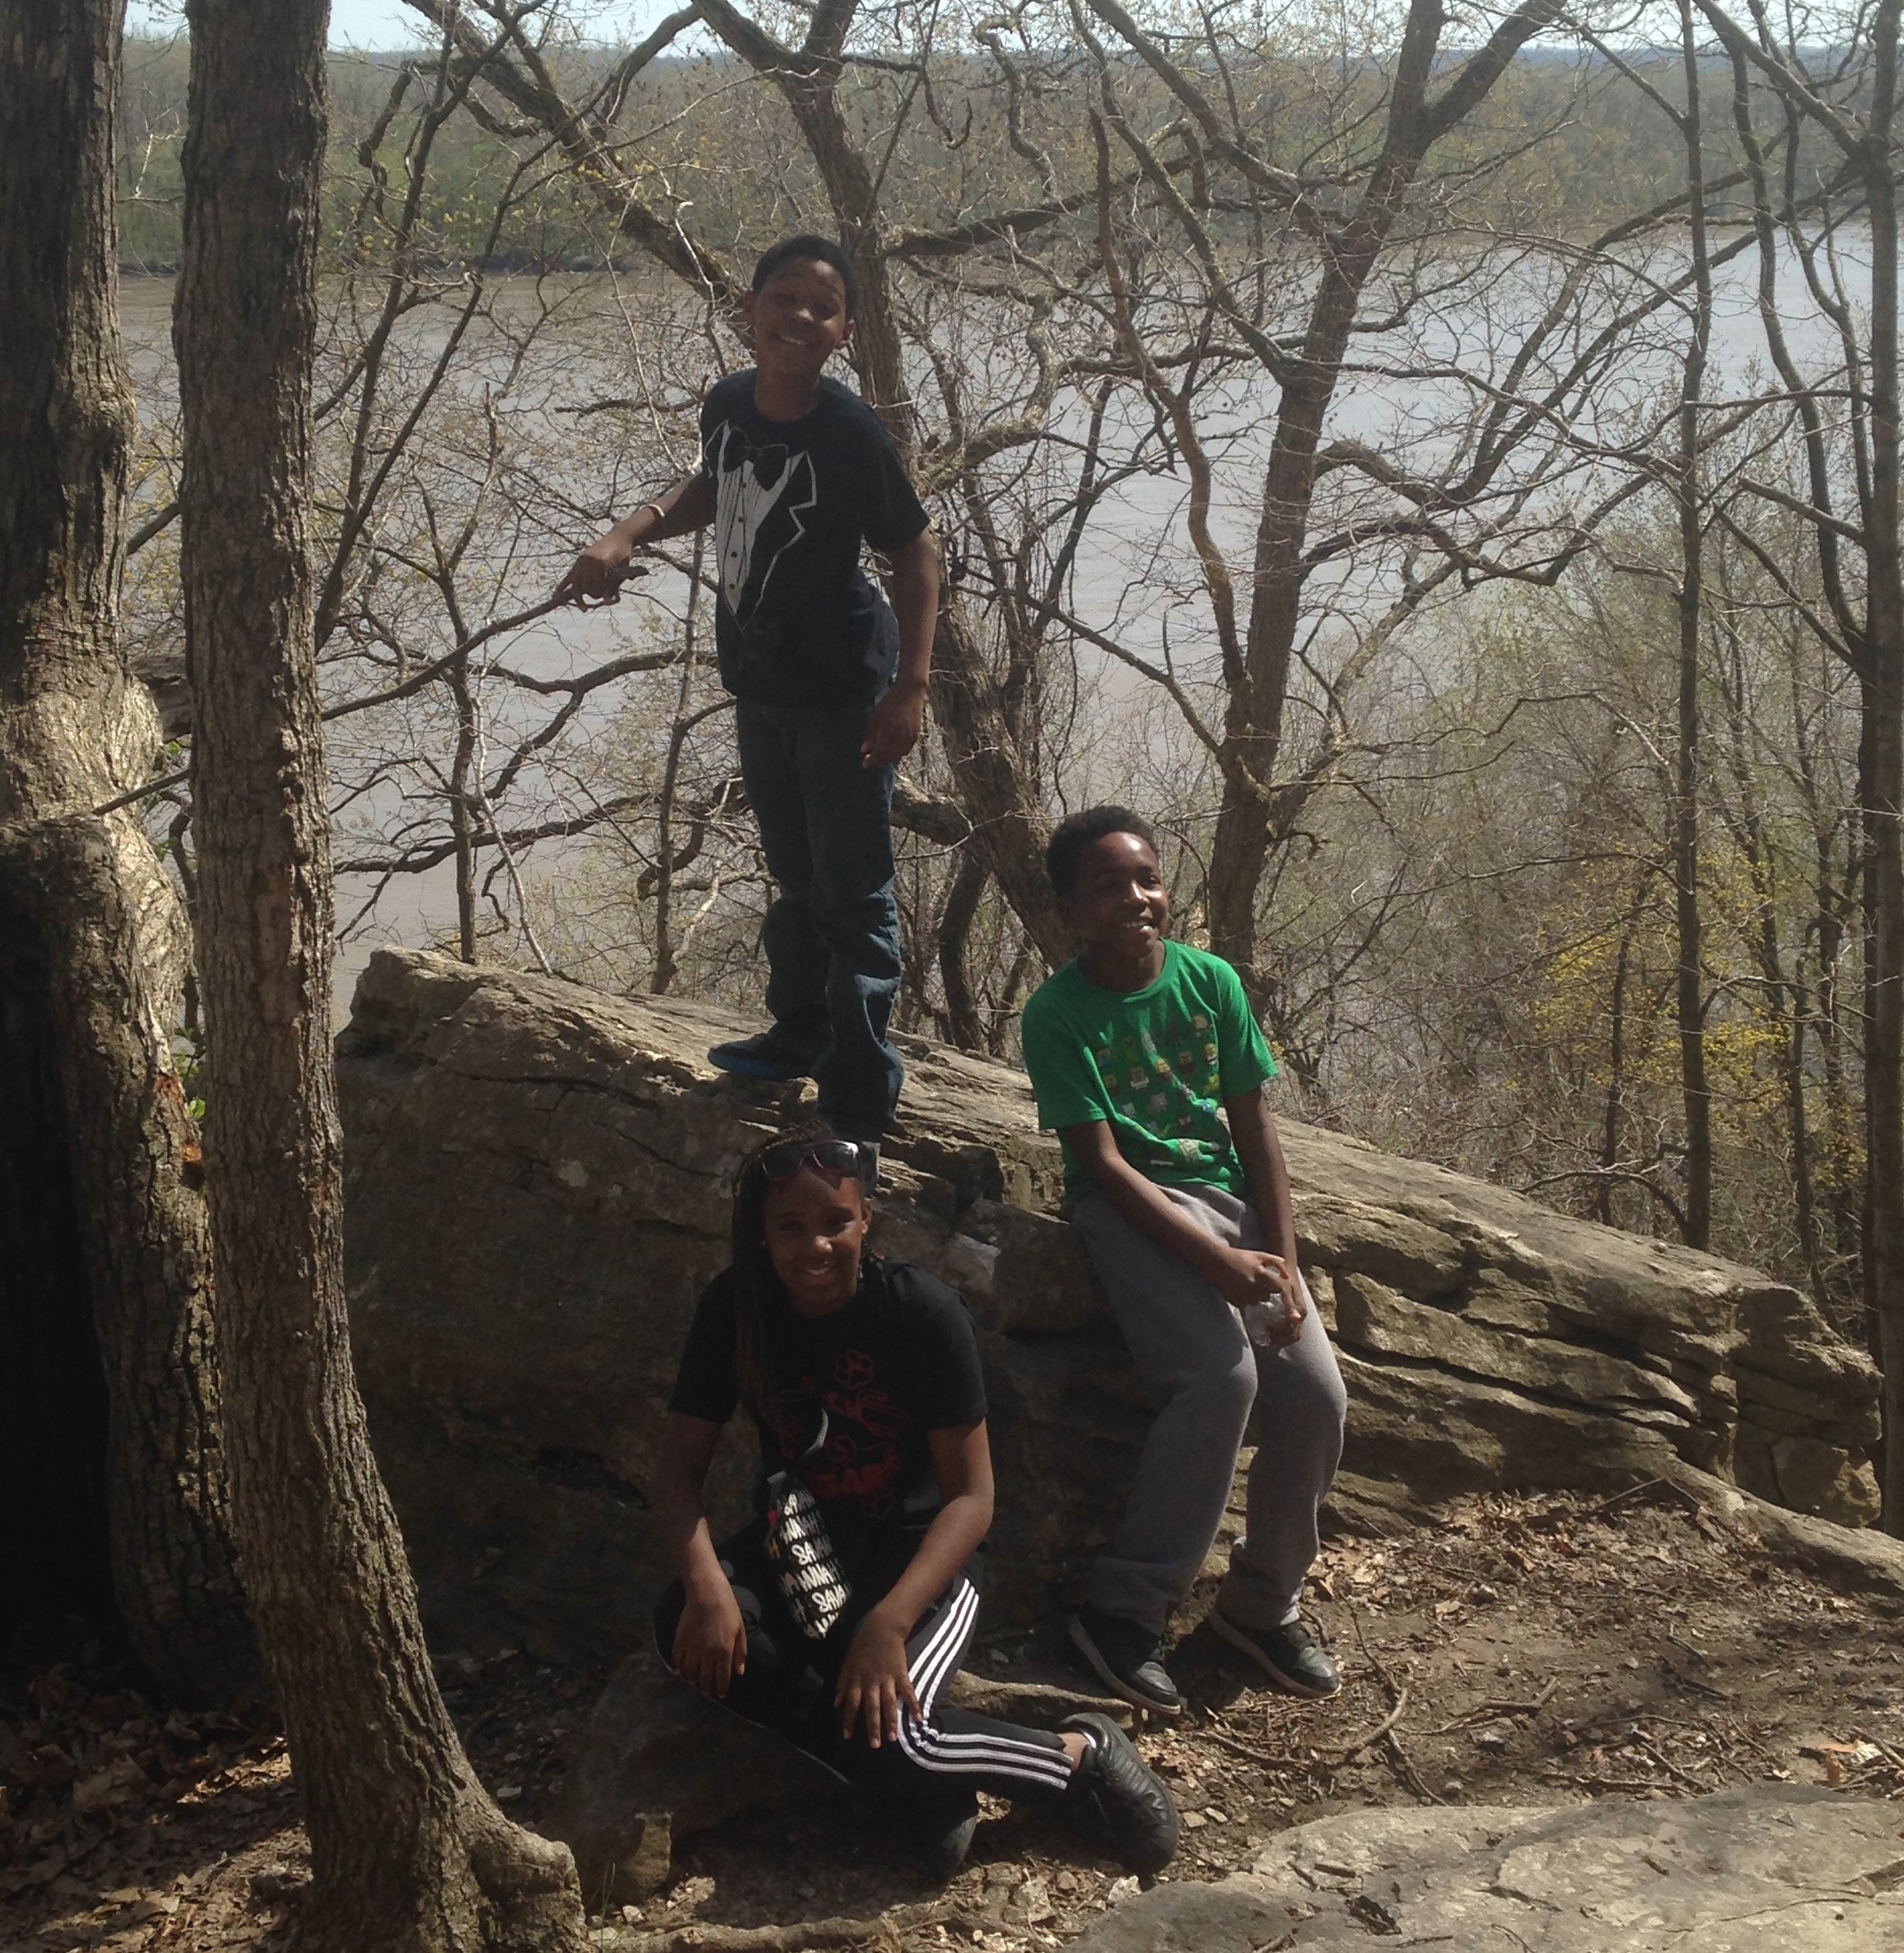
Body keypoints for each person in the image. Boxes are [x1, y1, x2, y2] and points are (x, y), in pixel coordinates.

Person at [650, 1129, 1181, 1878]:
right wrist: (708, 1588)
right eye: (789, 1228)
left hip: (922, 1562)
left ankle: (1076, 1754)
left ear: (867, 1216)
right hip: (804, 1550)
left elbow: (972, 1498)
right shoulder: (733, 1309)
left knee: (902, 1734)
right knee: (681, 1628)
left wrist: (888, 1624)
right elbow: (678, 1479)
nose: (815, 1248)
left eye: (835, 1221)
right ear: (762, 1234)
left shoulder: (923, 1314)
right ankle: (916, 1788)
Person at [557, 236, 937, 1149]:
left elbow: (916, 554)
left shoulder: (848, 433)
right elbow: (713, 480)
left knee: (852, 890)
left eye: (822, 308)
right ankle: (799, 1033)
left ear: (844, 333)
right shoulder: (729, 402)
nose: (799, 319)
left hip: (843, 686)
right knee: (796, 875)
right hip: (761, 679)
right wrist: (629, 533)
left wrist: (910, 692)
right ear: (749, 310)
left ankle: (859, 1095)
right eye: (784, 300)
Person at [1018, 807, 1349, 1717]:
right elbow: (1103, 1164)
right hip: (1133, 1213)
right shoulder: (1056, 1016)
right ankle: (1122, 1614)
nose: (1135, 898)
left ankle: (1260, 1605)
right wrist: (1217, 1267)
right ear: (1070, 912)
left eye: (1146, 878)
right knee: (1219, 1380)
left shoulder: (1210, 984)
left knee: (1318, 1394)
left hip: (1230, 1205)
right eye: (1106, 887)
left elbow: (1256, 1132)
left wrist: (1280, 1267)